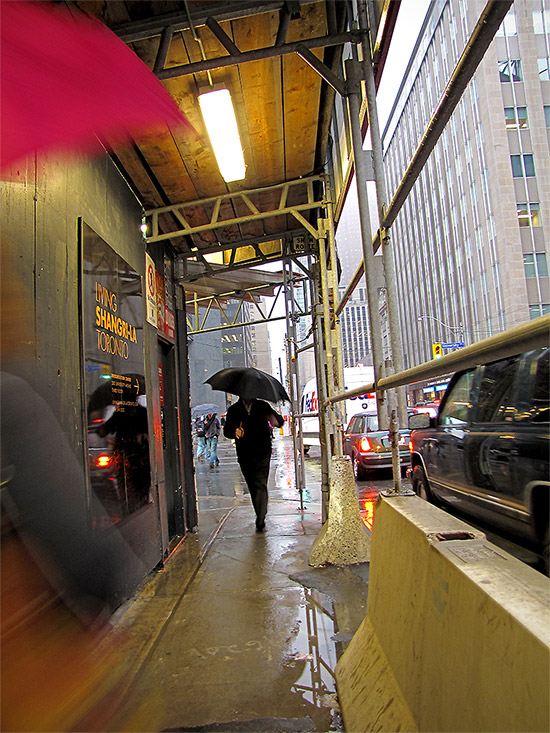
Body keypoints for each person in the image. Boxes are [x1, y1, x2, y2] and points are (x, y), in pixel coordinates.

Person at [223, 397, 284, 532]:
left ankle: (261, 516)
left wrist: (274, 419)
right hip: (245, 454)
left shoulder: (263, 406)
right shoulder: (234, 410)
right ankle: (259, 512)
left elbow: (279, 421)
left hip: (263, 451)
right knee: (252, 485)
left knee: (261, 483)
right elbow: (226, 431)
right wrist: (234, 431)